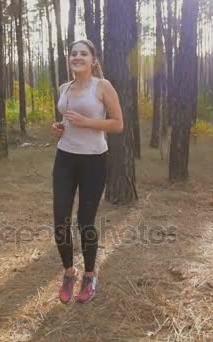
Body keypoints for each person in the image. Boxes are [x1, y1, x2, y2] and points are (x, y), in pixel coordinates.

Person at [50, 39, 124, 304]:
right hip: (65, 158)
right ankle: (69, 273)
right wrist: (59, 127)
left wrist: (87, 122)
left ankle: (90, 275)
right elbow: (68, 121)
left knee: (85, 221)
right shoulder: (64, 87)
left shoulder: (102, 87)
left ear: (93, 60)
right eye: (73, 53)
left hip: (93, 161)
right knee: (60, 220)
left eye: (83, 53)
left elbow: (117, 124)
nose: (77, 57)